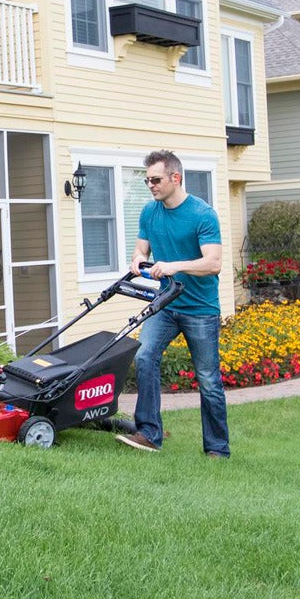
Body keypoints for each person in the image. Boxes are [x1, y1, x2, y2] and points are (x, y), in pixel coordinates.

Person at [115, 150, 230, 458]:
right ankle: (149, 434)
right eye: (147, 180)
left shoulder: (202, 214)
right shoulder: (149, 213)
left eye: (155, 180)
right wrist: (138, 259)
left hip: (200, 308)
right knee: (145, 356)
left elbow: (214, 263)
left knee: (208, 379)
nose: (150, 185)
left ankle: (217, 449)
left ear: (175, 178)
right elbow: (140, 249)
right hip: (165, 304)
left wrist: (173, 265)